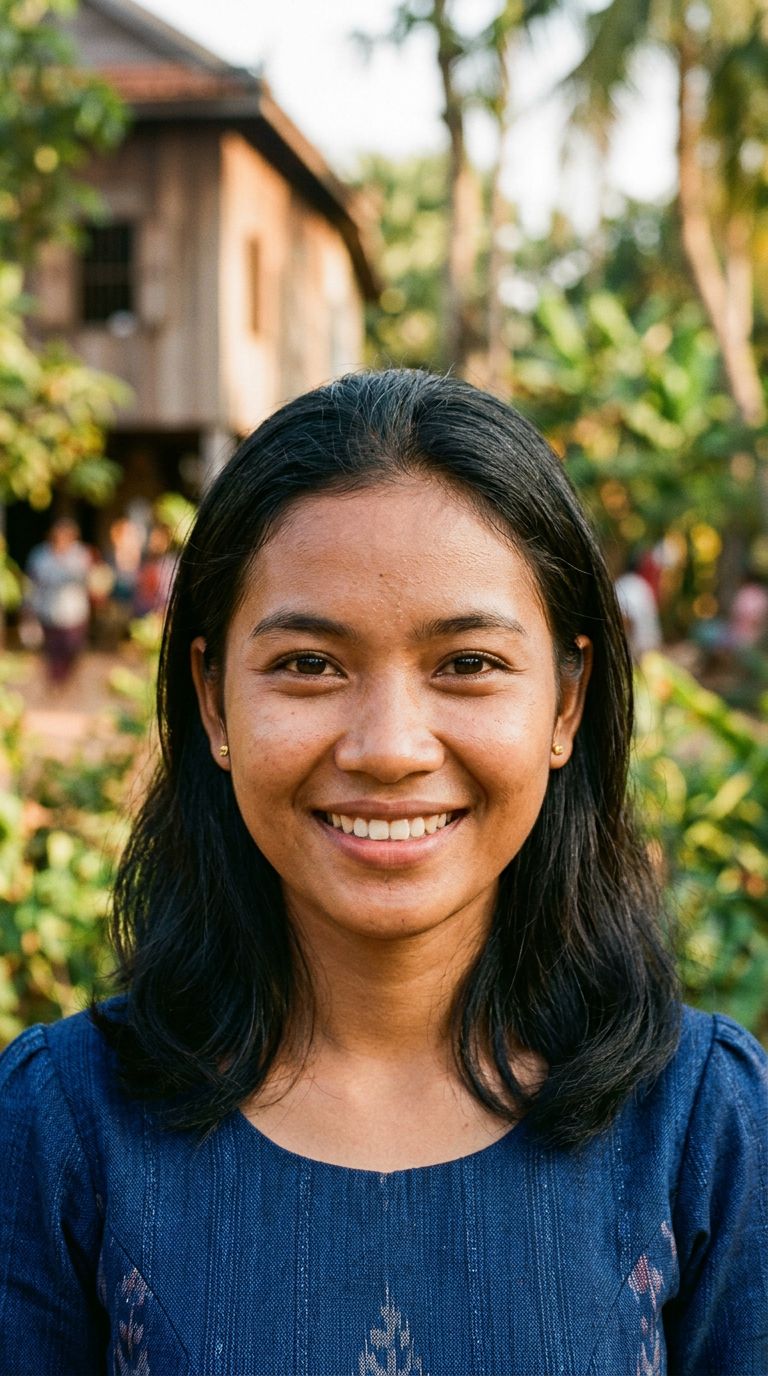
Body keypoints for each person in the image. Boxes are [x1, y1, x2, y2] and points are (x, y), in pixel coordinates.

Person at [1, 371, 765, 1375]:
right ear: (215, 701)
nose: (391, 746)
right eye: (311, 664)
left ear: (567, 703)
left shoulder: (702, 1126)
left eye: (469, 663)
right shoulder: (61, 1128)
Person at [24, 516, 92, 682]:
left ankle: (68, 683)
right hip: (48, 613)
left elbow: (88, 579)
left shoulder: (81, 555)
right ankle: (56, 687)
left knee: (72, 651)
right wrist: (28, 609)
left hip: (74, 614)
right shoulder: (40, 556)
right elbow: (32, 584)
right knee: (52, 654)